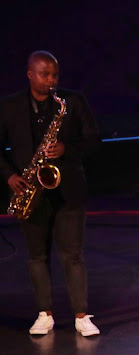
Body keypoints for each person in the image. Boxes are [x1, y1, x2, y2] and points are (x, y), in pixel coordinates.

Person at [0, 51, 101, 336]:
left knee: (73, 255)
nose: (51, 80)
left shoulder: (72, 102)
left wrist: (67, 149)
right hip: (30, 190)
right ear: (30, 74)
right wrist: (9, 176)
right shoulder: (9, 107)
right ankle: (44, 314)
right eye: (45, 75)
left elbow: (94, 139)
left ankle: (81, 316)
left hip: (68, 189)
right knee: (36, 256)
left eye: (55, 74)